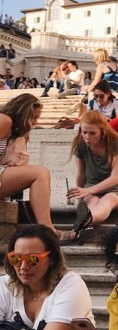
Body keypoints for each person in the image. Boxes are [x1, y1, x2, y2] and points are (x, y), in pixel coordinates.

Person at [67, 111, 118, 239]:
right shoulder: (80, 144)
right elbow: (81, 175)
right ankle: (85, 222)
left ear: (102, 130)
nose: (87, 137)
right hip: (91, 185)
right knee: (91, 201)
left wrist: (87, 190)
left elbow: (115, 178)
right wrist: (80, 194)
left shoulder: (117, 143)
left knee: (107, 200)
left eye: (93, 133)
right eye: (84, 132)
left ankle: (86, 221)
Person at [0, 94, 59, 232]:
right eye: (34, 117)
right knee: (40, 173)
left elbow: (19, 166)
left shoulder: (17, 131)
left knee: (39, 174)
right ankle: (47, 228)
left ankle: (46, 227)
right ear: (23, 113)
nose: (35, 122)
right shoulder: (4, 120)